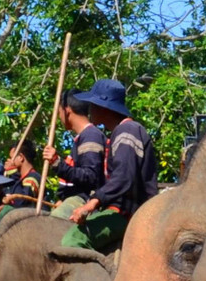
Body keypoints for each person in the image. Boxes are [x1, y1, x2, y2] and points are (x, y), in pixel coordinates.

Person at [61, 79, 156, 252]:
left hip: (127, 213)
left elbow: (123, 178)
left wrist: (90, 205)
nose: (89, 110)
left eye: (93, 105)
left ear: (103, 107)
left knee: (73, 240)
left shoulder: (128, 131)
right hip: (118, 210)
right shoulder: (120, 132)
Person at [42, 93, 105, 205]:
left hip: (87, 200)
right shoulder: (82, 137)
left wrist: (58, 163)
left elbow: (90, 177)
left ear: (67, 111)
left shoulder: (91, 135)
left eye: (59, 112)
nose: (59, 117)